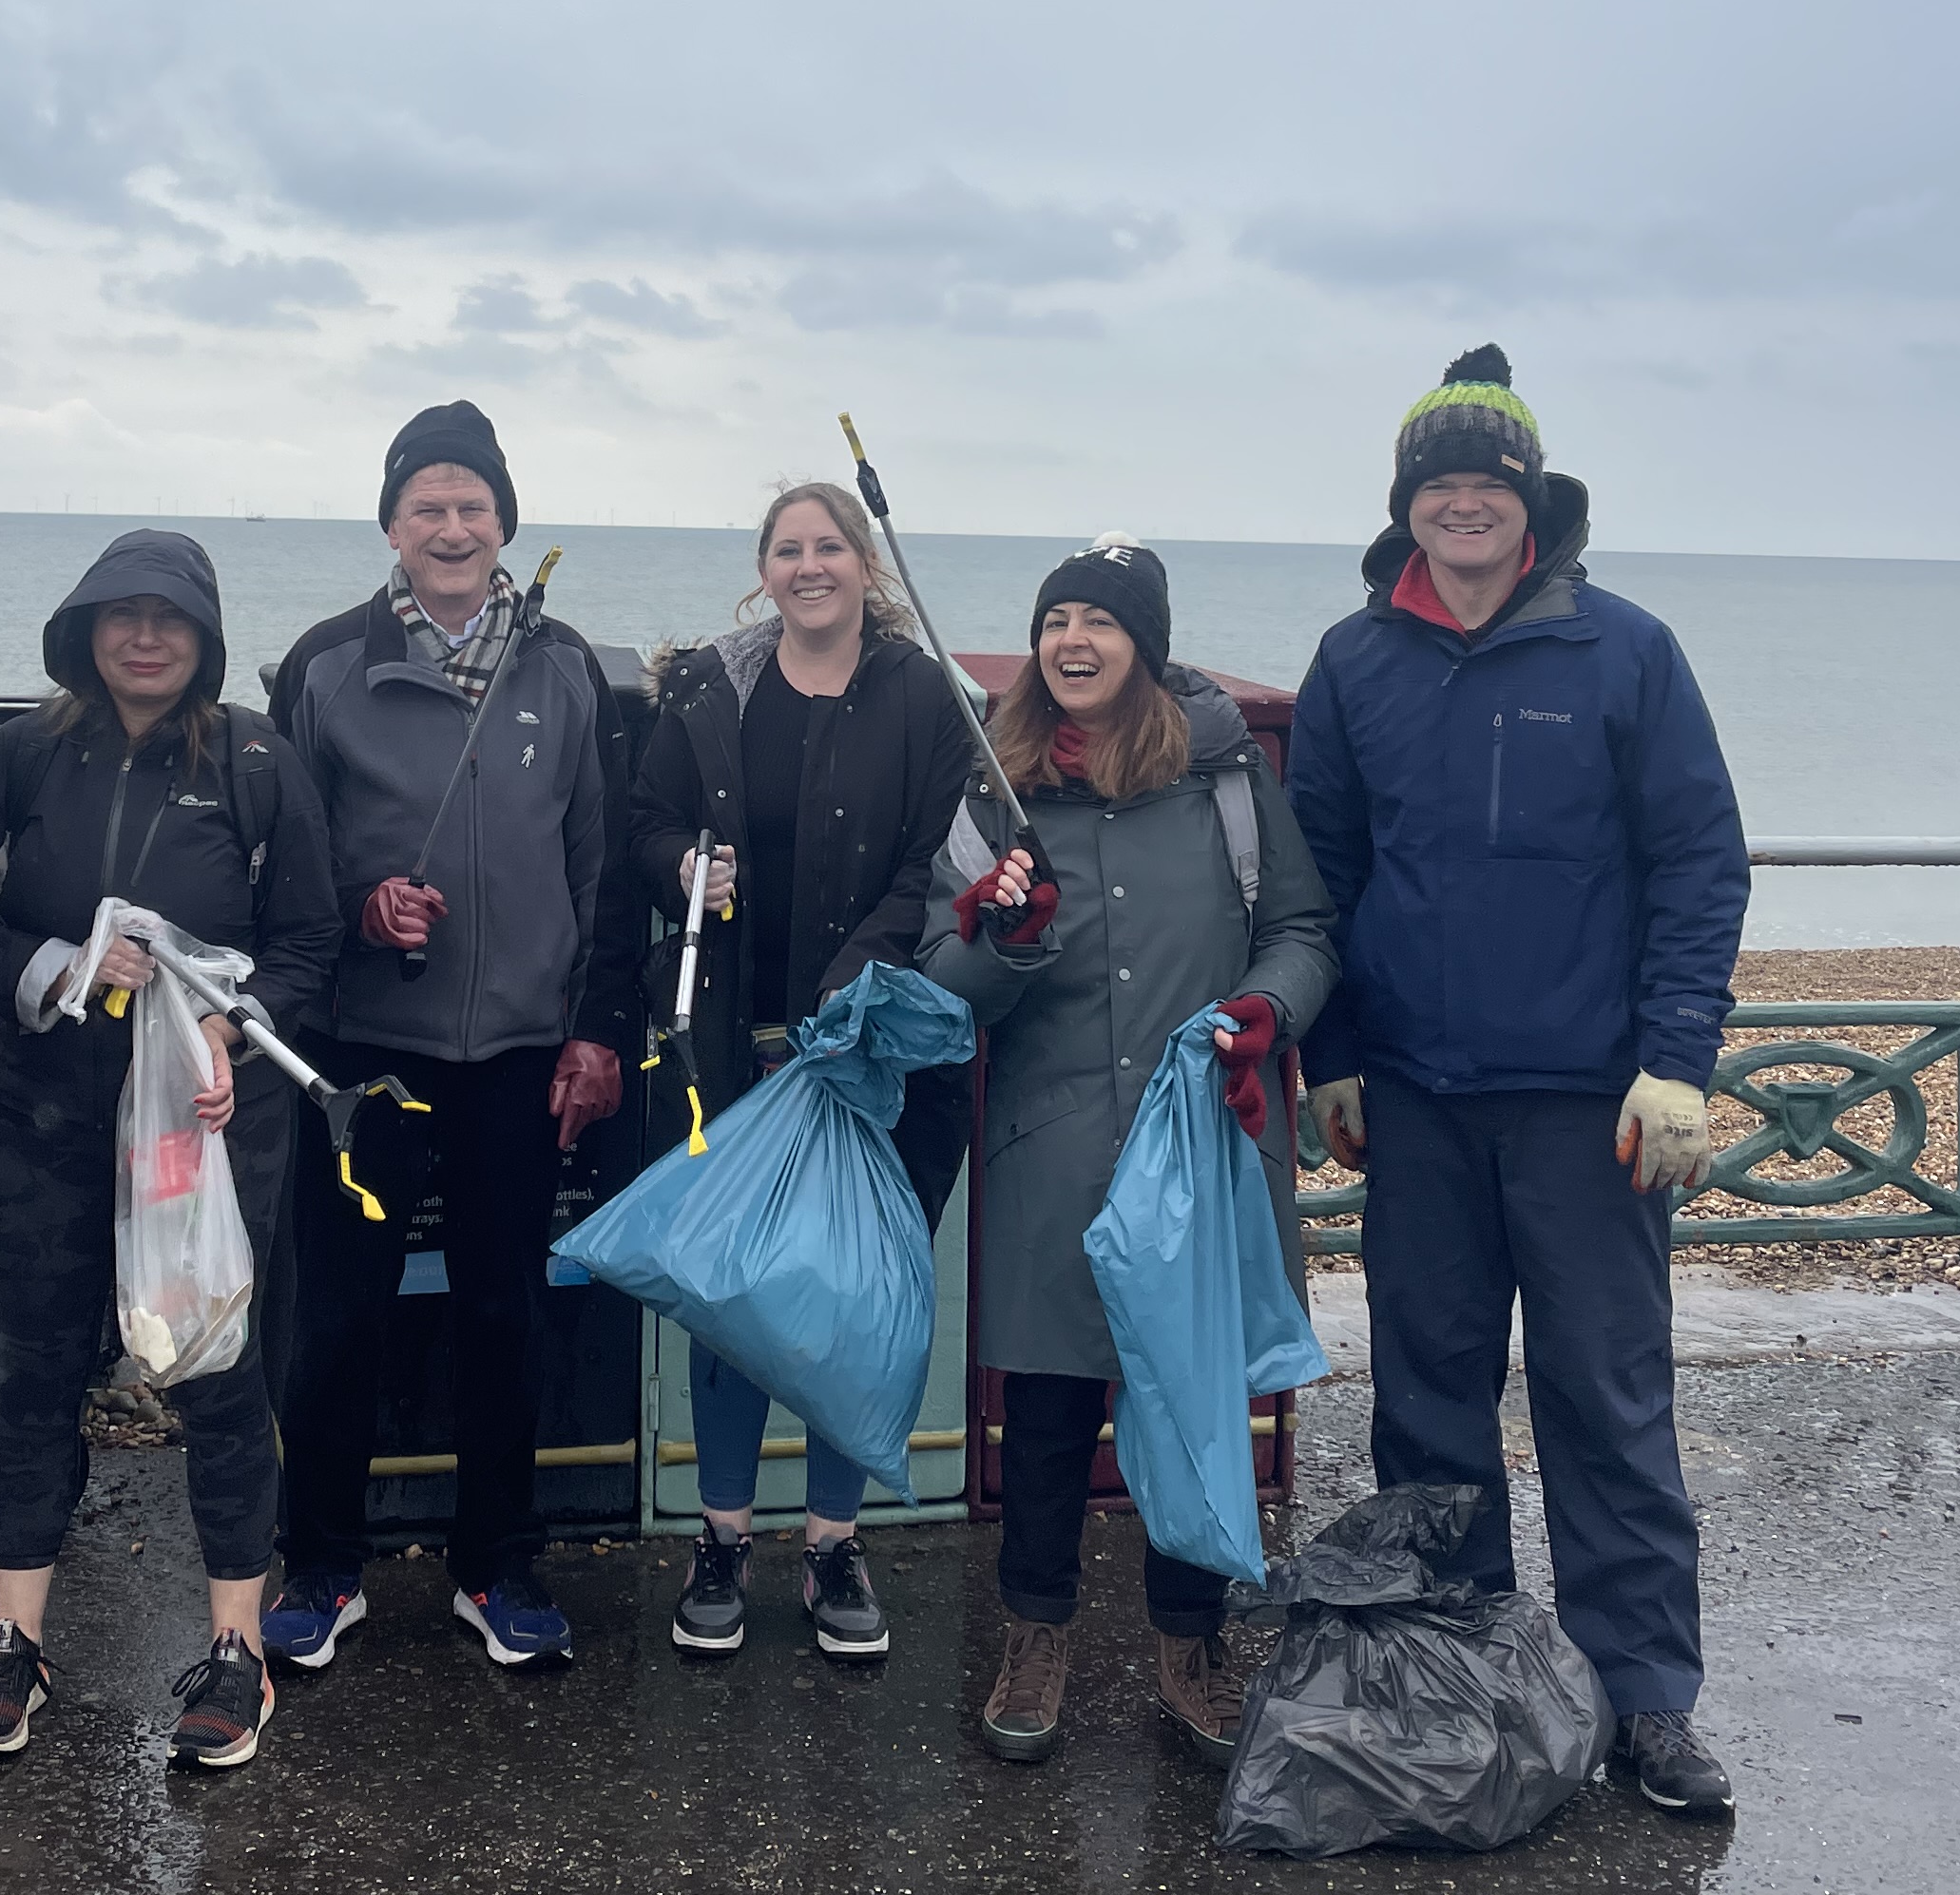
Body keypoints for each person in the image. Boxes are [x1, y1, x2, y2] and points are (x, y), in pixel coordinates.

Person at [1282, 346, 1748, 1820]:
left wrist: (1678, 1061)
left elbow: (1696, 862)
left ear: (1532, 504)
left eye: (1490, 483)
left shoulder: (1625, 651)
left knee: (1605, 1399)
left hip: (1590, 1106)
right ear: (1406, 508)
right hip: (1416, 1097)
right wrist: (1337, 1057)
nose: (1465, 504)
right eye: (1440, 484)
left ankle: (1645, 1698)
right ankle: (1468, 1669)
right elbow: (1322, 876)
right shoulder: (1356, 663)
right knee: (1428, 1401)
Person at [0, 530, 340, 1774]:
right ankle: (14, 1643)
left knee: (216, 1377)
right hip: (39, 1124)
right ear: (84, 629)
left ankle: (234, 1652)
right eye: (120, 615)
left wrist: (238, 1027)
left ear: (205, 637)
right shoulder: (23, 757)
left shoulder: (261, 760)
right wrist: (51, 969)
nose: (144, 637)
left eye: (170, 618)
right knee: (36, 1376)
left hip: (200, 1139)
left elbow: (311, 945)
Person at [919, 537, 1336, 1771]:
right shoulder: (993, 790)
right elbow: (951, 989)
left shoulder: (1223, 784)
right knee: (1046, 1415)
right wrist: (1006, 937)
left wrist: (1266, 1013)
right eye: (1059, 621)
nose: (1075, 641)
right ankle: (1035, 1637)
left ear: (1142, 648)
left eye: (1101, 622)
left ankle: (1187, 1647)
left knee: (1192, 1401)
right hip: (1054, 1149)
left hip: (1205, 1139)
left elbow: (1302, 929)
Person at [263, 400, 633, 1670]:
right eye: (428, 504)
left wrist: (593, 1032)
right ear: (391, 526)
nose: (453, 524)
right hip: (370, 1051)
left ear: (505, 525)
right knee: (340, 1317)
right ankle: (318, 1563)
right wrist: (366, 912)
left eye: (474, 505)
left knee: (504, 1313)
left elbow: (599, 870)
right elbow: (285, 876)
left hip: (522, 1056)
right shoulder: (323, 664)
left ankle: (499, 1566)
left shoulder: (566, 666)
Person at [627, 478, 976, 1661]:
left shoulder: (923, 693)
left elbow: (941, 855)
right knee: (732, 1301)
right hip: (735, 1049)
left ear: (866, 565)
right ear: (763, 568)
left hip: (872, 1057)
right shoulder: (708, 689)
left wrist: (856, 975)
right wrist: (682, 865)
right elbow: (644, 819)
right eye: (789, 548)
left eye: (832, 546)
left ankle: (834, 1542)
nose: (811, 565)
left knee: (845, 1302)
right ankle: (722, 1536)